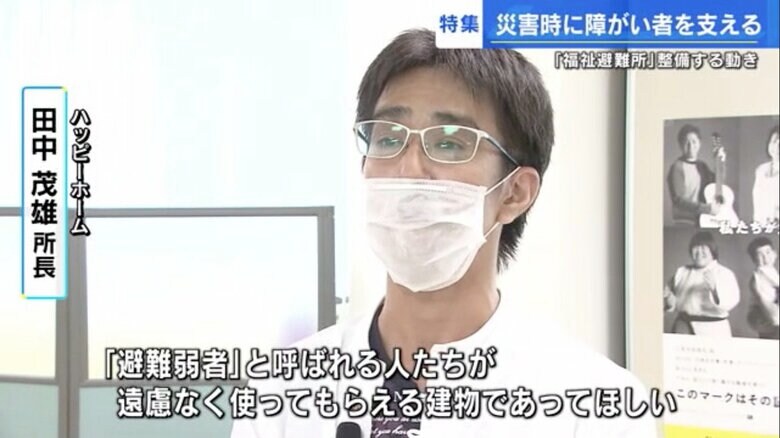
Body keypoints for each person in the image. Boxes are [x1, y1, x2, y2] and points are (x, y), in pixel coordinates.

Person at [232, 29, 654, 437]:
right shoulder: (281, 390)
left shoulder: (595, 407)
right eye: (388, 138)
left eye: (450, 142)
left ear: (515, 193)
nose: (408, 169)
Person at [663, 231, 740, 337]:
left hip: (713, 330)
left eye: (703, 248)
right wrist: (668, 298)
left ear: (712, 250)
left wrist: (714, 289)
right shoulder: (681, 272)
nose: (699, 252)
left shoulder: (724, 273)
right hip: (683, 327)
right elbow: (670, 301)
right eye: (695, 248)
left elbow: (730, 302)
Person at [666, 124, 724, 226]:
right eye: (686, 142)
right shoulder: (677, 167)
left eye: (694, 142)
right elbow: (678, 200)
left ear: (699, 144)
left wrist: (720, 162)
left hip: (703, 220)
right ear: (680, 145)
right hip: (685, 221)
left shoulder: (702, 166)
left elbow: (717, 184)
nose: (690, 146)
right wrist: (706, 208)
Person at [746, 237, 780, 340]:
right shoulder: (760, 277)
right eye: (760, 254)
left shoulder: (771, 272)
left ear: (775, 253)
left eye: (768, 252)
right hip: (772, 325)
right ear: (754, 259)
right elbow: (774, 316)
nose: (765, 257)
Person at [752, 125, 779, 225]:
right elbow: (757, 203)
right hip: (761, 224)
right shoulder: (761, 170)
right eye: (774, 141)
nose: (777, 146)